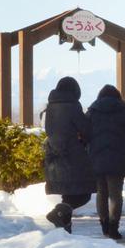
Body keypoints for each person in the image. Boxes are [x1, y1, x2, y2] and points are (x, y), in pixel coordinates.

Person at [86, 85, 125, 240]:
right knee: (116, 194)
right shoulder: (124, 112)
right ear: (117, 96)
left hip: (97, 158)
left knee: (101, 193)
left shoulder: (92, 112)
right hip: (118, 159)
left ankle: (104, 225)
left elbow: (84, 134)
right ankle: (114, 227)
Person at [43, 77, 94, 233]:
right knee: (83, 194)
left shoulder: (49, 108)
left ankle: (64, 221)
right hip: (73, 155)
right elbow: (86, 130)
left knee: (68, 193)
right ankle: (58, 212)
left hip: (54, 155)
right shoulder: (73, 107)